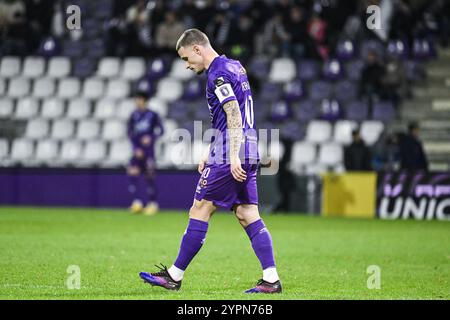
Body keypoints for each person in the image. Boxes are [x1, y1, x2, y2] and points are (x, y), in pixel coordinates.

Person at [139, 29, 282, 294]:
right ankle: (271, 279)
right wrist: (211, 149)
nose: (186, 64)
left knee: (200, 208)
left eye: (185, 58)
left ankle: (174, 275)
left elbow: (233, 112)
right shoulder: (235, 66)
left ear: (197, 49)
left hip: (232, 151)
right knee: (247, 213)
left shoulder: (217, 74)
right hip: (249, 146)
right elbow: (231, 114)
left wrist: (232, 154)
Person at [127, 90, 164, 215]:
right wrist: (135, 148)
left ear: (144, 100)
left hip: (149, 152)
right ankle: (137, 202)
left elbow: (161, 130)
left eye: (139, 99)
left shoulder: (153, 115)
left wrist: (151, 137)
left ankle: (152, 204)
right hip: (137, 151)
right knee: (133, 173)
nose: (137, 102)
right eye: (136, 99)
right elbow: (130, 133)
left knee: (150, 176)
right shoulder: (133, 115)